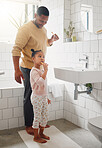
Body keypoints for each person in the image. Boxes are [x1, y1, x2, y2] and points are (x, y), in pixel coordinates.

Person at [12, 6, 59, 135]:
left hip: (40, 67)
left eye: (45, 22)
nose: (43, 23)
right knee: (29, 95)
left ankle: (39, 122)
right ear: (35, 15)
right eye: (41, 20)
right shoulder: (25, 29)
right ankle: (29, 125)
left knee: (40, 94)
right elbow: (16, 49)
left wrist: (51, 40)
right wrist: (17, 70)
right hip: (28, 67)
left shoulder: (43, 29)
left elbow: (44, 43)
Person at [30, 49, 50, 143]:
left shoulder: (41, 70)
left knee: (45, 116)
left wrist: (46, 97)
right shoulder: (34, 71)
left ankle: (41, 133)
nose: (42, 58)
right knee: (37, 117)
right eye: (39, 56)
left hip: (43, 97)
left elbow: (45, 85)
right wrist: (46, 71)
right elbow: (40, 83)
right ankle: (36, 136)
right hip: (37, 97)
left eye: (43, 56)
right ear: (33, 59)